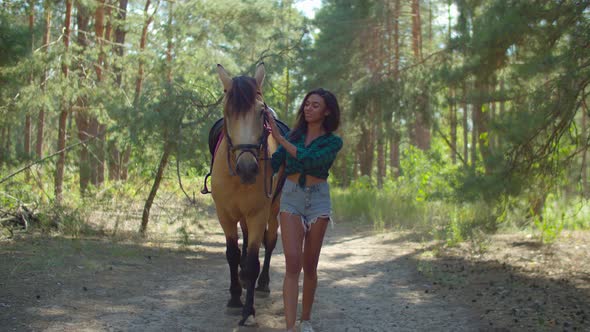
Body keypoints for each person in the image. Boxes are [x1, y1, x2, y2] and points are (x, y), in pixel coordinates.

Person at [265, 88, 343, 332]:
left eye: (315, 105)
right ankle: (291, 327)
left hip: (319, 200)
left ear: (327, 111)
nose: (308, 108)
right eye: (307, 104)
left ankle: (305, 319)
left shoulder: (333, 142)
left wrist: (279, 136)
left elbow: (309, 159)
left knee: (310, 265)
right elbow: (276, 162)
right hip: (291, 197)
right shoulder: (296, 136)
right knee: (292, 264)